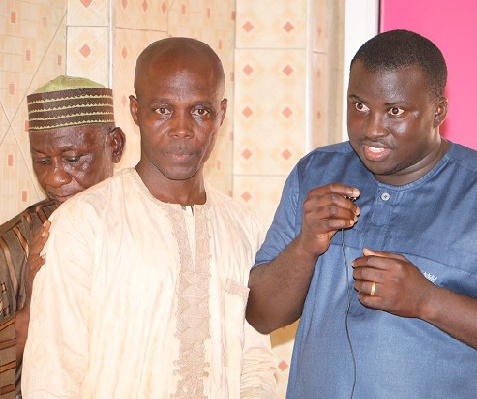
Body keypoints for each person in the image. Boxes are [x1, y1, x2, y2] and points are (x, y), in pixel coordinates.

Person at [246, 29, 477, 398]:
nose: (372, 128)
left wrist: (427, 300)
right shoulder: (315, 174)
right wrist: (306, 245)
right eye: (359, 105)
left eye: (395, 111)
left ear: (438, 110)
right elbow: (262, 315)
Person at [22, 37, 277, 398]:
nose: (182, 128)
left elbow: (254, 362)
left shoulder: (243, 225)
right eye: (162, 110)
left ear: (222, 113)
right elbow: (52, 374)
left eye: (200, 111)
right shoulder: (82, 225)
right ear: (135, 110)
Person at [0, 75, 125, 398]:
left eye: (72, 159)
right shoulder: (10, 246)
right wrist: (31, 304)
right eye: (42, 161)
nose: (54, 177)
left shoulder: (146, 226)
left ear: (115, 145)